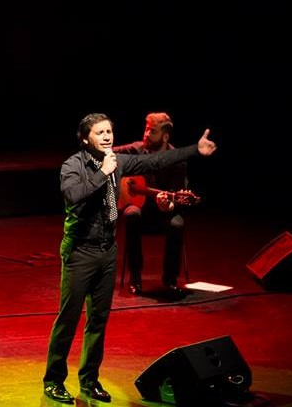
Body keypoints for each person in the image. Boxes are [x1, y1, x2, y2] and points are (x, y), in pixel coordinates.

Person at [42, 113, 216, 404]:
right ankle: (53, 380)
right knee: (68, 319)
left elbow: (155, 161)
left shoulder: (119, 162)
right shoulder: (73, 165)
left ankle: (89, 380)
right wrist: (102, 173)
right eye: (100, 132)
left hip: (107, 251)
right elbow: (73, 196)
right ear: (86, 138)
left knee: (98, 320)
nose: (108, 136)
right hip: (80, 251)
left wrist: (193, 150)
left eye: (110, 131)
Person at [113, 112, 188, 296]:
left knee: (177, 224)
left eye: (152, 131)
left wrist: (168, 205)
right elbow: (109, 153)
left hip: (164, 212)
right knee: (131, 214)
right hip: (141, 209)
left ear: (165, 136)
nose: (146, 134)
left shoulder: (177, 160)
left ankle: (170, 279)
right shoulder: (136, 150)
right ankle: (135, 278)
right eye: (146, 129)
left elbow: (178, 198)